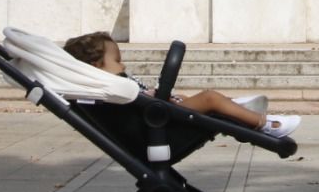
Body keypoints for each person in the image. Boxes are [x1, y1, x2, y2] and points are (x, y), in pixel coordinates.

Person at [63, 31, 299, 138]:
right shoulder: (110, 86)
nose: (123, 66)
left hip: (156, 113)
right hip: (156, 122)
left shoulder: (110, 85)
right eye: (117, 61)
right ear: (96, 65)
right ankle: (265, 124)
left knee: (189, 99)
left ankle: (235, 109)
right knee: (210, 97)